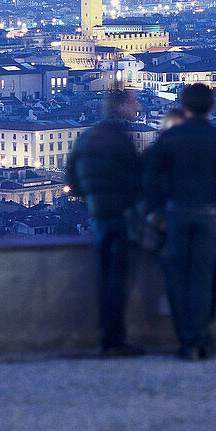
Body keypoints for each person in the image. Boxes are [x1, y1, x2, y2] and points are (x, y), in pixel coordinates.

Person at [143, 82, 216, 360]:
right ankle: (203, 336)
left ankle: (187, 341)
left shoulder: (170, 139)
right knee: (203, 276)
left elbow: (150, 179)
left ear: (184, 106)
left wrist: (162, 208)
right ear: (211, 106)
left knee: (177, 278)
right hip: (207, 215)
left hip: (177, 214)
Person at [65, 89, 143, 357]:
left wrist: (93, 198)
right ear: (119, 106)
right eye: (133, 103)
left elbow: (73, 180)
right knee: (119, 280)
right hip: (120, 216)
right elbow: (135, 181)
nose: (138, 108)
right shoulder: (120, 139)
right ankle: (115, 339)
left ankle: (105, 337)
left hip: (98, 214)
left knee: (104, 276)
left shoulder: (87, 136)